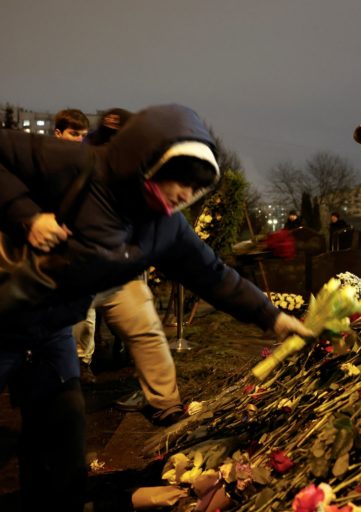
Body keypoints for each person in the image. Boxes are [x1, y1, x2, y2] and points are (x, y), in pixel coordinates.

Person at [0, 104, 313, 511]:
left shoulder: (166, 226)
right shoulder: (74, 164)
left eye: (195, 187)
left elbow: (214, 275)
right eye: (180, 180)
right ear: (147, 159)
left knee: (61, 439)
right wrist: (26, 216)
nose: (184, 194)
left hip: (53, 331)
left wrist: (273, 317)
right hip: (6, 314)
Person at [74, 108, 187, 424]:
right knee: (65, 328)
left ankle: (163, 400)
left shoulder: (144, 167)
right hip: (75, 266)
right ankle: (60, 392)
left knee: (143, 323)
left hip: (120, 266)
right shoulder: (78, 160)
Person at [53, 109, 96, 382]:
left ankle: (82, 360)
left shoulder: (88, 164)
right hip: (48, 244)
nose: (79, 140)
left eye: (82, 135)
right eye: (73, 134)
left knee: (84, 308)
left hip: (80, 245)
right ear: (58, 133)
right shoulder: (42, 161)